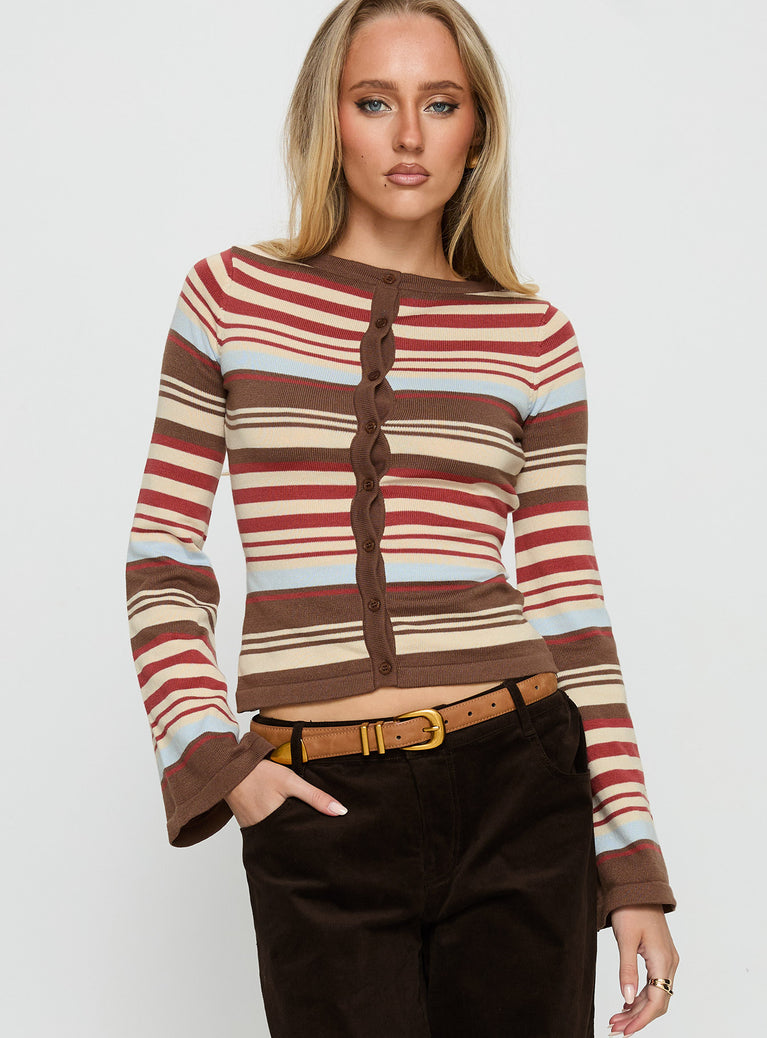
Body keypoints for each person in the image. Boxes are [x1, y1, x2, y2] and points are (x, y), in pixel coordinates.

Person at [124, 1, 678, 1035]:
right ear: (327, 120)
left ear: (478, 131)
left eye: (441, 103)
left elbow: (568, 602)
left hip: (518, 783)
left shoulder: (533, 335)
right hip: (317, 798)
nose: (410, 135)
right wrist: (219, 760)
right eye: (374, 102)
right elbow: (162, 557)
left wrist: (628, 860)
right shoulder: (228, 298)